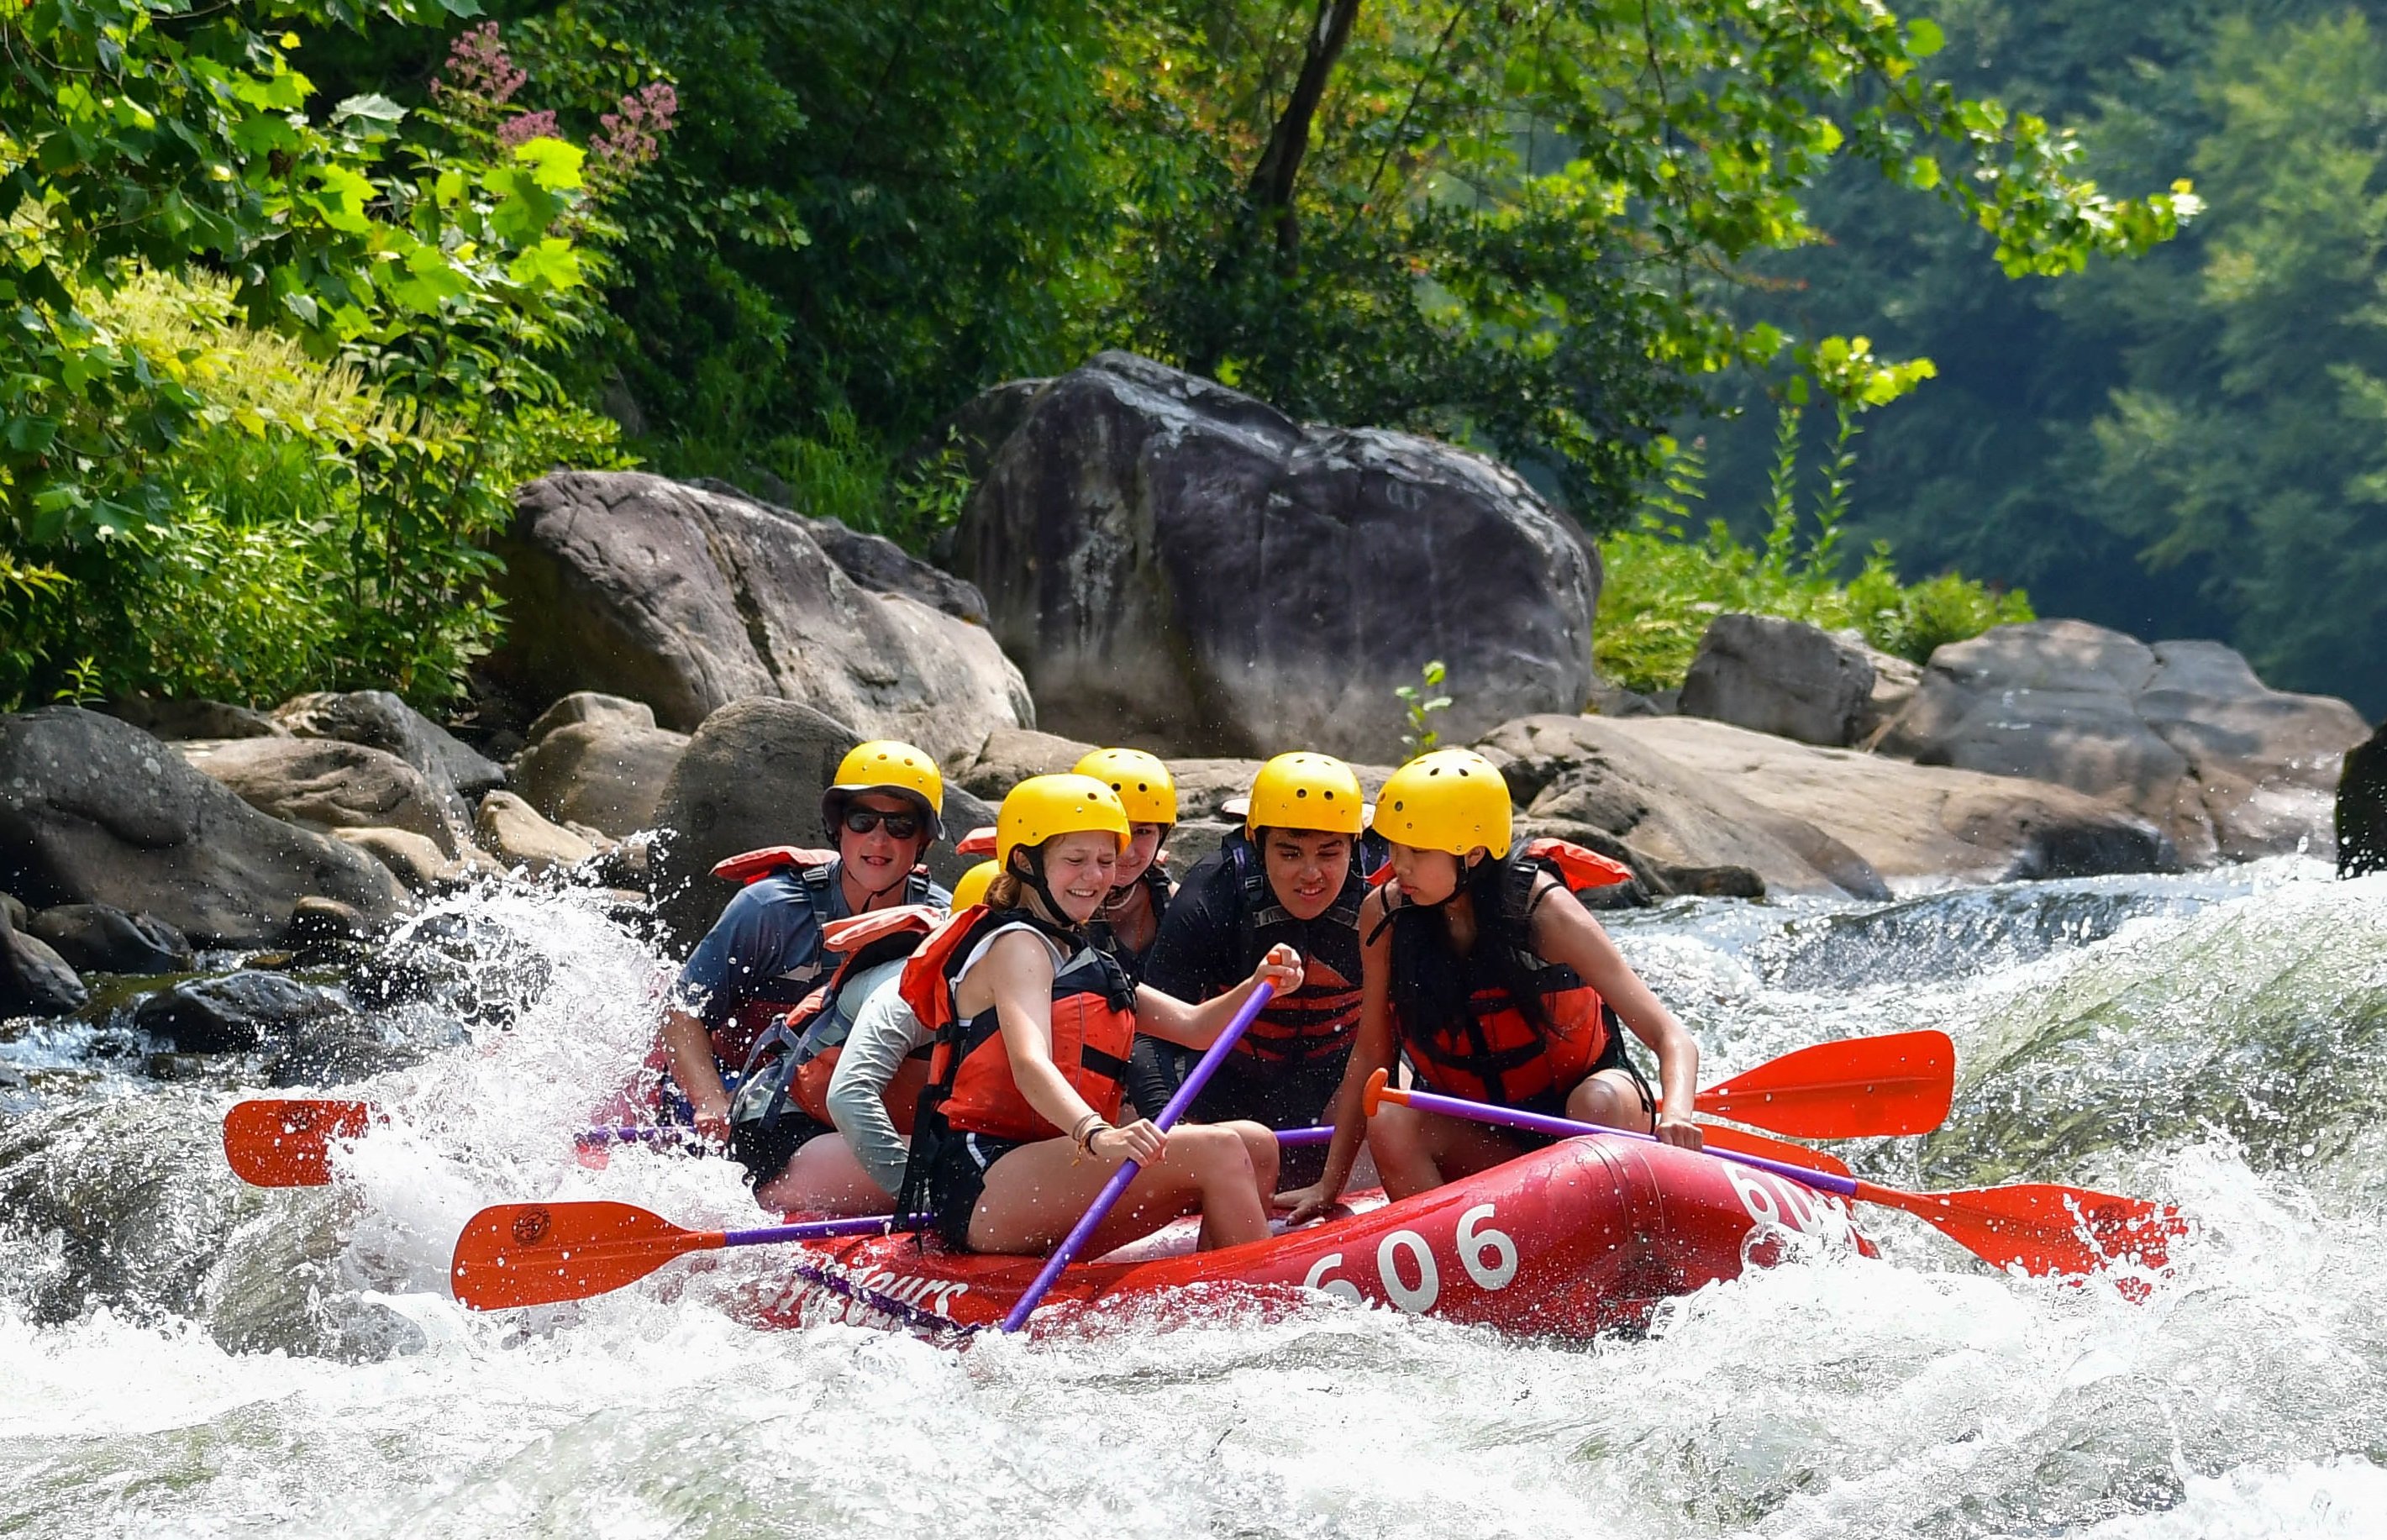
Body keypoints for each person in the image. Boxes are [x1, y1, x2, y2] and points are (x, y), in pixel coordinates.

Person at [1279, 749, 1704, 1224]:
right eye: (1395, 846)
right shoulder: (1385, 915)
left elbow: (1672, 1037)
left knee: (1596, 1101)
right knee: (1390, 1114)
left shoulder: (1544, 911)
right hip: (1483, 1137)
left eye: (1417, 852)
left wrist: (1678, 1115)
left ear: (1473, 855)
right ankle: (1448, 1264)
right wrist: (1328, 1183)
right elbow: (1372, 1055)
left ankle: (1601, 1238)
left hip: (1581, 1120)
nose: (1399, 865)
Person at [898, 774, 1303, 1256]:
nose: (1094, 877)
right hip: (987, 1177)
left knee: (1256, 1143)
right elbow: (1031, 1063)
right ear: (1026, 862)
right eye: (1075, 861)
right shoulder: (1017, 946)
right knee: (1218, 1152)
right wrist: (1097, 1134)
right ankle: (1258, 1295)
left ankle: (1218, 1278)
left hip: (1058, 1162)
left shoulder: (1084, 957)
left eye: (1105, 862)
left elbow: (1197, 1028)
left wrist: (1260, 985)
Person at [654, 740, 950, 1161]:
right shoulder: (770, 909)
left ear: (923, 840)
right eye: (863, 820)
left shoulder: (939, 921)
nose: (879, 841)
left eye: (900, 826)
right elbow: (682, 1012)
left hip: (835, 1096)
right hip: (735, 1083)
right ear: (839, 828)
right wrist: (709, 1100)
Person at [1128, 753, 1372, 1180]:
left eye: (1330, 852)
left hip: (1338, 1100)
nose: (1310, 874)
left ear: (1355, 846)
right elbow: (1152, 1037)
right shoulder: (1212, 895)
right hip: (1226, 1101)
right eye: (1290, 853)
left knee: (1388, 1105)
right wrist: (1172, 1135)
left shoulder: (1384, 897)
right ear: (1258, 844)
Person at [1072, 747, 1177, 981]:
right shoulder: (1045, 909)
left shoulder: (1179, 905)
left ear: (1162, 836)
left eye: (1143, 831)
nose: (1126, 851)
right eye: (1114, 830)